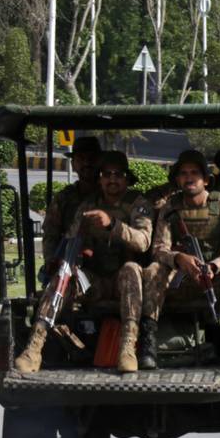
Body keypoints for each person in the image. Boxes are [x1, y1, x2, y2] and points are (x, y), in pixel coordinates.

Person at [142, 151, 220, 361]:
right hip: (181, 281)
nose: (189, 178)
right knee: (153, 270)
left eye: (195, 173)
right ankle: (147, 345)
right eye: (184, 173)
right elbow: (159, 249)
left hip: (214, 281)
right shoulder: (171, 207)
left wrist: (214, 266)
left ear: (205, 180)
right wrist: (179, 259)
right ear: (177, 179)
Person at [74, 151, 154, 372]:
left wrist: (112, 225)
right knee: (64, 275)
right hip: (96, 281)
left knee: (130, 269)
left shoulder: (138, 203)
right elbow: (73, 239)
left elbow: (143, 242)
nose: (112, 179)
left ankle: (127, 347)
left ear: (126, 178)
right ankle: (37, 342)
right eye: (106, 174)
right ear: (99, 179)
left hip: (126, 284)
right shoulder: (88, 205)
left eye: (118, 174)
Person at [41, 136, 102, 260]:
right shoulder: (64, 198)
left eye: (91, 159)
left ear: (100, 162)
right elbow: (51, 234)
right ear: (73, 165)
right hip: (73, 261)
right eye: (81, 159)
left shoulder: (110, 194)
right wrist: (51, 261)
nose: (86, 163)